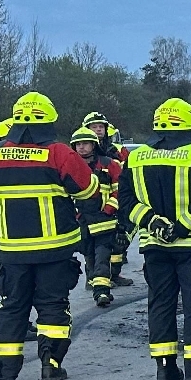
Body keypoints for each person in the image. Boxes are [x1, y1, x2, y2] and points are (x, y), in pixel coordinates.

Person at [0, 92, 101, 380]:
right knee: (53, 306)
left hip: (12, 251)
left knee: (11, 307)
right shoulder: (59, 153)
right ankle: (50, 367)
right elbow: (89, 194)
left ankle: (2, 374)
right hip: (55, 249)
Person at [118, 98, 191, 380]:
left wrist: (153, 223)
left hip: (155, 245)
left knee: (160, 304)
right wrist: (181, 228)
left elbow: (125, 200)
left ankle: (165, 370)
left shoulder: (135, 157)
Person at [82, 112, 134, 287]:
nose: (98, 130)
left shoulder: (116, 150)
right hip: (92, 206)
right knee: (91, 243)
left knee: (120, 239)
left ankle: (114, 274)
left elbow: (128, 171)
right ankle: (92, 277)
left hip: (118, 198)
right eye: (94, 127)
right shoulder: (80, 150)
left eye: (101, 127)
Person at [70, 126, 120, 305]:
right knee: (89, 255)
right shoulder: (69, 166)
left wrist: (109, 208)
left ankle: (102, 292)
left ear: (94, 145)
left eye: (85, 143)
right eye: (78, 144)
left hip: (103, 220)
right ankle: (94, 282)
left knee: (102, 256)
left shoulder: (109, 164)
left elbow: (120, 190)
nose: (81, 147)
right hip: (81, 221)